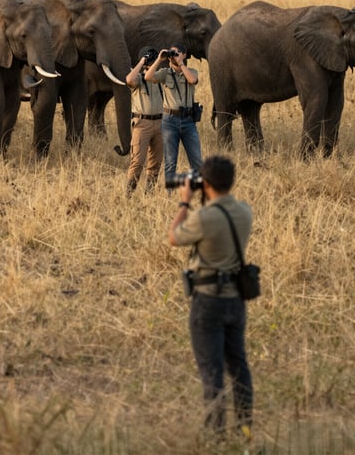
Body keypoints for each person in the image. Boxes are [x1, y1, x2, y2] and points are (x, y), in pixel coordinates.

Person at [168, 155, 253, 438]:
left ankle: (215, 434)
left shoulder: (203, 218)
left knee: (212, 370)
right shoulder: (244, 212)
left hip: (207, 301)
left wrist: (184, 201)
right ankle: (244, 427)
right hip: (235, 301)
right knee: (238, 366)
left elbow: (174, 236)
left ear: (205, 183)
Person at [153, 44, 203, 185]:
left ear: (185, 54)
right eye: (172, 53)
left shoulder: (191, 71)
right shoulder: (165, 73)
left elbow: (192, 80)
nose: (174, 55)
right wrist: (159, 59)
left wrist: (181, 63)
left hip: (188, 121)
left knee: (197, 160)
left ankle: (198, 191)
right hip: (169, 121)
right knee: (170, 161)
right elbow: (149, 76)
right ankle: (170, 194)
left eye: (178, 52)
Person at [125, 46, 165, 194]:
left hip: (160, 123)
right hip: (142, 124)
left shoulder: (159, 79)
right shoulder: (138, 79)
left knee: (155, 163)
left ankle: (149, 195)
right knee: (137, 162)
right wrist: (142, 61)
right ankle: (129, 195)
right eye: (151, 61)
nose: (152, 63)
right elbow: (129, 79)